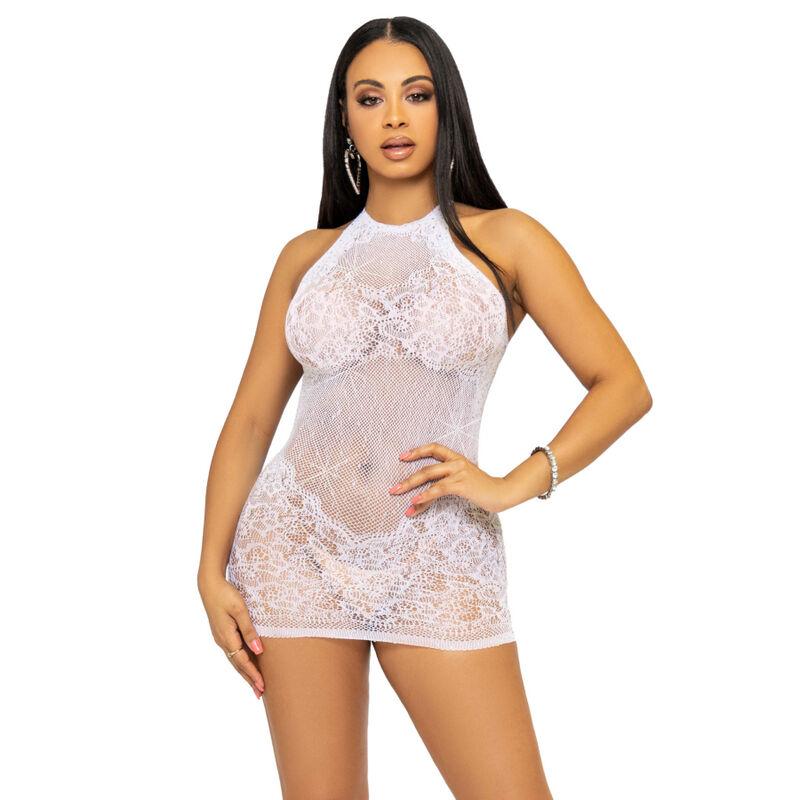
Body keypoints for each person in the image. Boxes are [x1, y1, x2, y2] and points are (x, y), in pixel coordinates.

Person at [197, 16, 652, 800]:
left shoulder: (506, 240)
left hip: (436, 551)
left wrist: (516, 482)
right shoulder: (306, 257)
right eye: (370, 98)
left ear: (447, 108)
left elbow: (621, 385)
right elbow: (249, 422)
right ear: (345, 119)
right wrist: (210, 571)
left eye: (416, 94)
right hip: (291, 548)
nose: (395, 117)